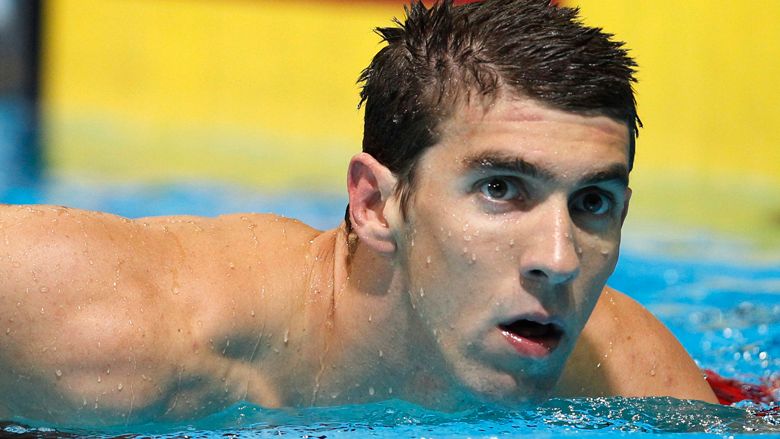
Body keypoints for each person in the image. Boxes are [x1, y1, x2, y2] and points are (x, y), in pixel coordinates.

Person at [0, 0, 716, 427]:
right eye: (501, 189)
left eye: (592, 202)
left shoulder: (632, 376)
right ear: (374, 204)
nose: (558, 259)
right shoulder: (117, 324)